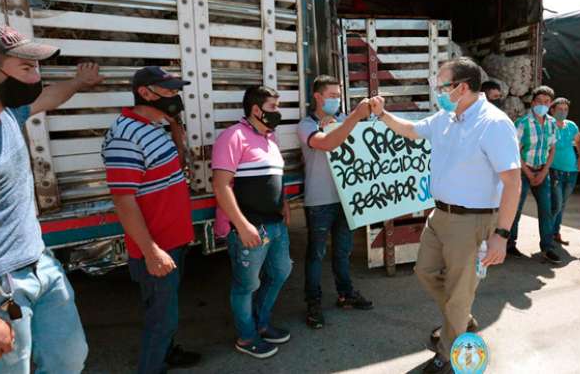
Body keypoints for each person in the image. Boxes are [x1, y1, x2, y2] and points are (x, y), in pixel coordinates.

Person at [369, 57, 521, 373]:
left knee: (459, 291)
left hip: (473, 222)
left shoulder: (493, 124)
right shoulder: (447, 117)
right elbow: (411, 130)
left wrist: (501, 235)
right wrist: (382, 114)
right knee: (425, 271)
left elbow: (512, 182)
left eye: (442, 85)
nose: (437, 91)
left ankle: (450, 354)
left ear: (462, 87)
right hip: (439, 217)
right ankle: (461, 320)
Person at [0, 25, 101, 373]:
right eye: (25, 68)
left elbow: (50, 96)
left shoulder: (9, 114)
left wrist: (80, 82)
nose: (35, 77)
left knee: (70, 360)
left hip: (42, 265)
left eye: (37, 68)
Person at [102, 66, 201, 373]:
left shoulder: (154, 128)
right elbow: (123, 199)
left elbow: (175, 168)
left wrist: (177, 132)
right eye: (169, 91)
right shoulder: (125, 135)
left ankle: (167, 352)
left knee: (164, 310)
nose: (175, 96)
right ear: (145, 93)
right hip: (157, 247)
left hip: (174, 240)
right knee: (162, 317)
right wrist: (151, 251)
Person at [212, 86, 292, 359]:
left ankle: (261, 323)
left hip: (275, 226)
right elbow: (221, 186)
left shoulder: (271, 139)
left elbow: (275, 176)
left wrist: (284, 203)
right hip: (250, 228)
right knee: (246, 286)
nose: (277, 113)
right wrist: (242, 225)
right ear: (256, 109)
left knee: (281, 272)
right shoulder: (232, 137)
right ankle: (246, 338)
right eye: (272, 107)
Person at [297, 75, 373, 330]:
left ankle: (346, 293)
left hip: (346, 199)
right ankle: (313, 303)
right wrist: (347, 121)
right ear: (317, 96)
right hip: (319, 200)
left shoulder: (343, 121)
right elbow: (326, 143)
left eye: (338, 96)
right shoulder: (306, 125)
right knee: (316, 254)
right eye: (331, 96)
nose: (336, 100)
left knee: (343, 251)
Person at [508, 86, 562, 264]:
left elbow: (552, 149)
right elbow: (515, 151)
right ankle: (509, 244)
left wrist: (544, 171)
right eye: (539, 101)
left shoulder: (552, 123)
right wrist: (529, 173)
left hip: (542, 172)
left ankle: (547, 247)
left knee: (546, 210)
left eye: (547, 102)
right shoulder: (522, 123)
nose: (543, 105)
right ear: (533, 103)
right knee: (516, 209)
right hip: (524, 172)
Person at [549, 98, 580, 246]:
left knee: (562, 204)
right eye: (560, 109)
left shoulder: (571, 125)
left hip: (571, 172)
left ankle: (555, 233)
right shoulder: (548, 126)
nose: (563, 112)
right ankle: (547, 234)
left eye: (565, 110)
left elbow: (579, 142)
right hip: (554, 171)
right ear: (552, 110)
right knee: (556, 204)